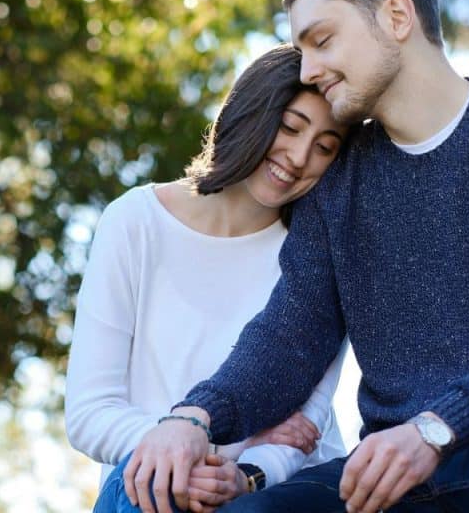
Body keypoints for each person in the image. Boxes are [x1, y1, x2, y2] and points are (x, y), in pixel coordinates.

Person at [121, 0, 469, 513]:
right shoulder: (339, 183)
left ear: (397, 16)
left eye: (322, 40)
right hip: (401, 477)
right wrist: (195, 416)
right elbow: (289, 334)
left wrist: (436, 429)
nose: (308, 69)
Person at [65, 43, 351, 512]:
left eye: (324, 148)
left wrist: (246, 475)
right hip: (152, 491)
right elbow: (90, 413)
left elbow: (309, 420)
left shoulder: (319, 256)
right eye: (290, 127)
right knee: (161, 480)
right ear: (250, 113)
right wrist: (191, 447)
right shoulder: (135, 222)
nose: (299, 157)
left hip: (276, 493)